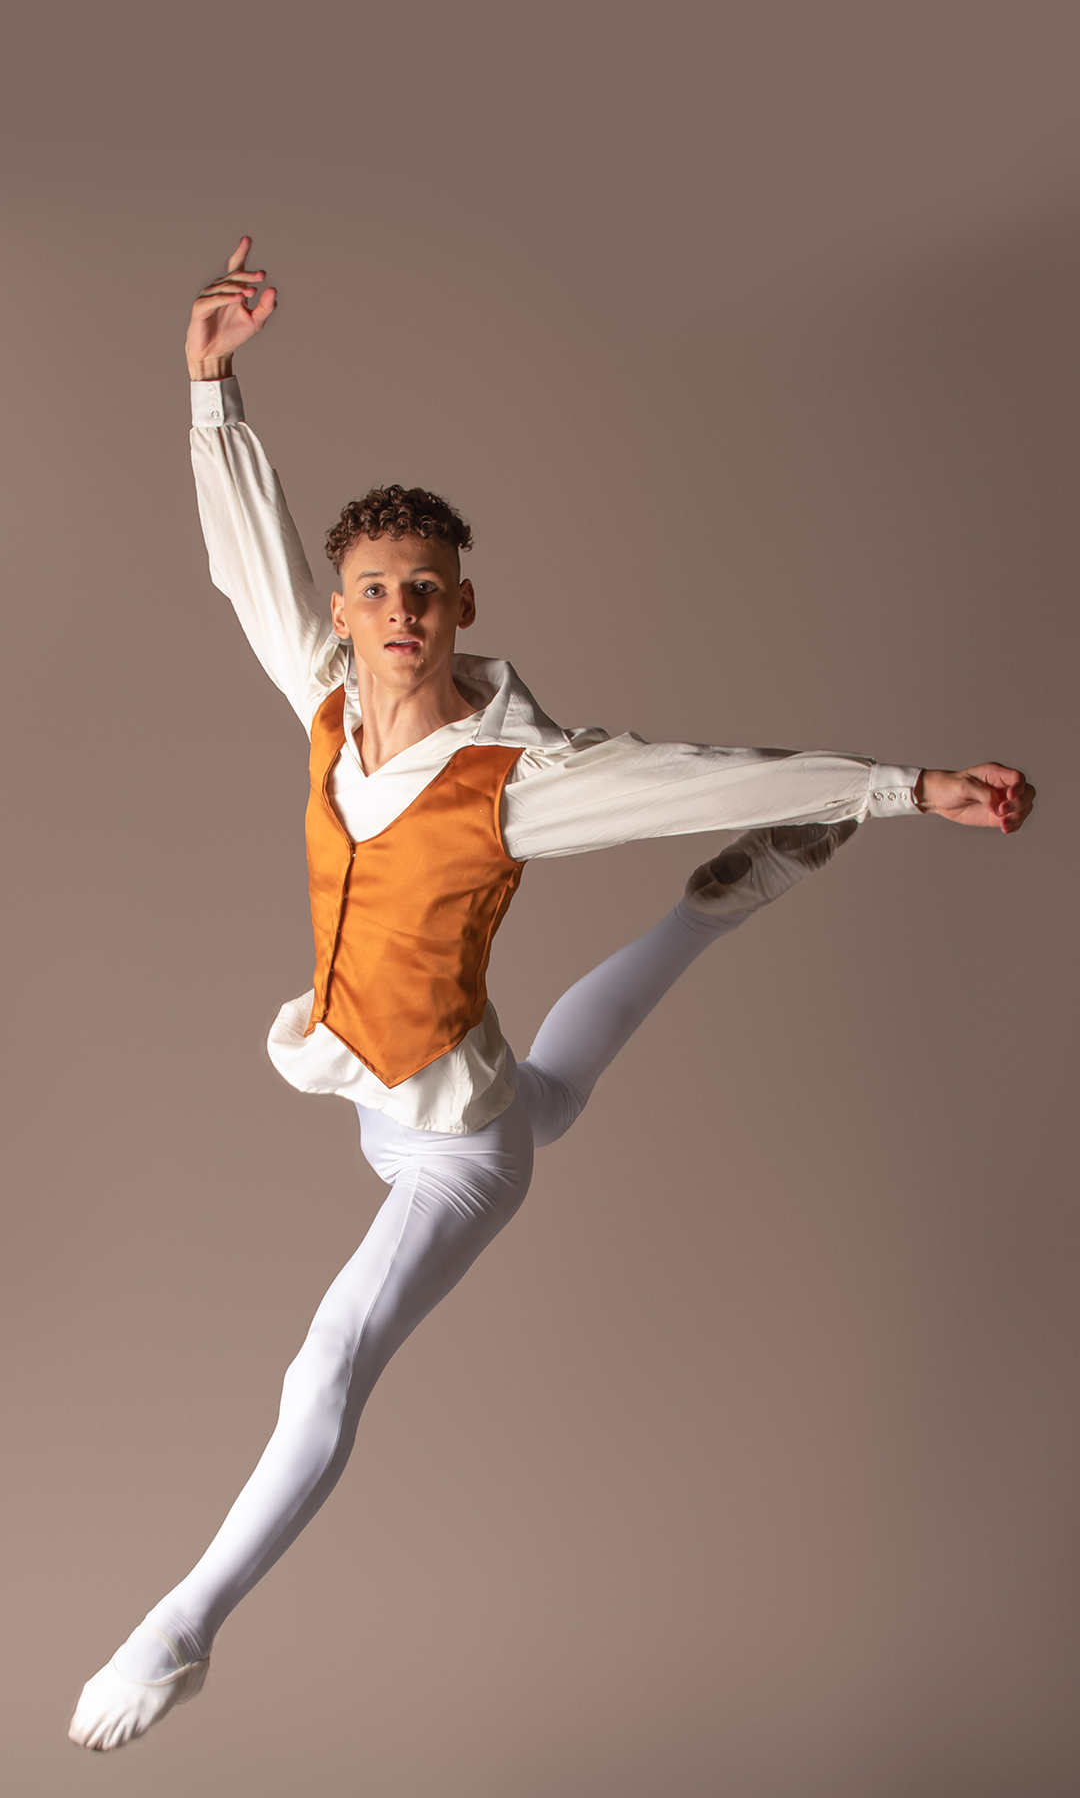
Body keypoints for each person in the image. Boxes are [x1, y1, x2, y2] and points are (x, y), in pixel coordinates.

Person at [69, 238, 1035, 1751]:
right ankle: (720, 909)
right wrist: (210, 387)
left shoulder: (519, 782)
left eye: (425, 592)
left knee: (333, 1355)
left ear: (463, 606)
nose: (398, 611)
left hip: (452, 1151)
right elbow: (244, 558)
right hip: (398, 1085)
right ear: (344, 610)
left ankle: (179, 1631)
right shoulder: (322, 698)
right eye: (374, 590)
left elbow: (708, 774)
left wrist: (905, 788)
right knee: (556, 1090)